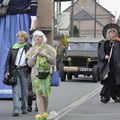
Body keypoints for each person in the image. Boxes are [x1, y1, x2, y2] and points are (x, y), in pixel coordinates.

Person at [26, 30, 56, 120]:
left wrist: (46, 56)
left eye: (39, 37)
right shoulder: (31, 49)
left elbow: (53, 62)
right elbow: (29, 64)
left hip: (46, 74)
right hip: (35, 75)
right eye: (35, 37)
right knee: (38, 94)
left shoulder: (48, 48)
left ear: (43, 38)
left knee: (45, 95)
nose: (37, 38)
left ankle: (45, 113)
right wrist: (34, 55)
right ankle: (41, 114)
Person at [5, 31, 31, 116]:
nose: (20, 38)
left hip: (24, 70)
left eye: (22, 37)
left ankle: (24, 108)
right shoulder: (13, 47)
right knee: (15, 91)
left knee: (24, 91)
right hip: (14, 71)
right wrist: (7, 71)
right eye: (19, 37)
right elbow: (8, 61)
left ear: (25, 39)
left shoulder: (28, 47)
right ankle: (16, 109)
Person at [98, 23, 120, 103]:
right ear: (107, 34)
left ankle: (116, 96)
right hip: (107, 66)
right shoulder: (104, 43)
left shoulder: (118, 43)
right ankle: (104, 96)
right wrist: (105, 57)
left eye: (114, 32)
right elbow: (100, 53)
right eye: (110, 32)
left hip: (117, 66)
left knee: (117, 81)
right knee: (108, 82)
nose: (112, 34)